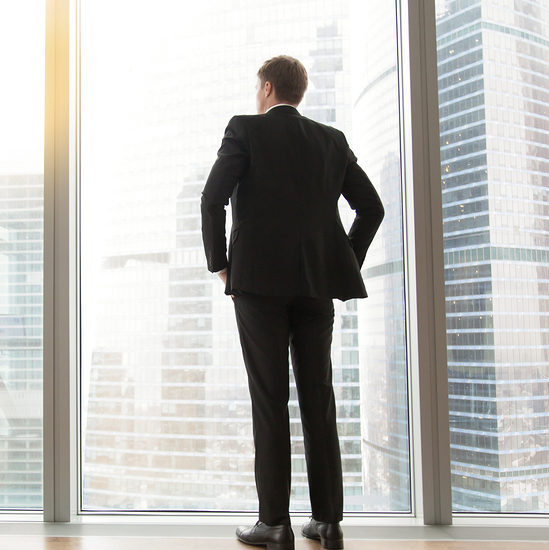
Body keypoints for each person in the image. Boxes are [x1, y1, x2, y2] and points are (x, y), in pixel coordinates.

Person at [200, 55, 384, 550]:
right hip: (315, 286)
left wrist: (221, 264)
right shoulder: (331, 140)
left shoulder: (244, 129)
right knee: (318, 397)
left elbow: (212, 198)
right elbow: (372, 208)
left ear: (266, 88)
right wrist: (340, 261)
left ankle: (274, 524)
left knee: (270, 399)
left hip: (258, 285)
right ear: (297, 93)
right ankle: (328, 521)